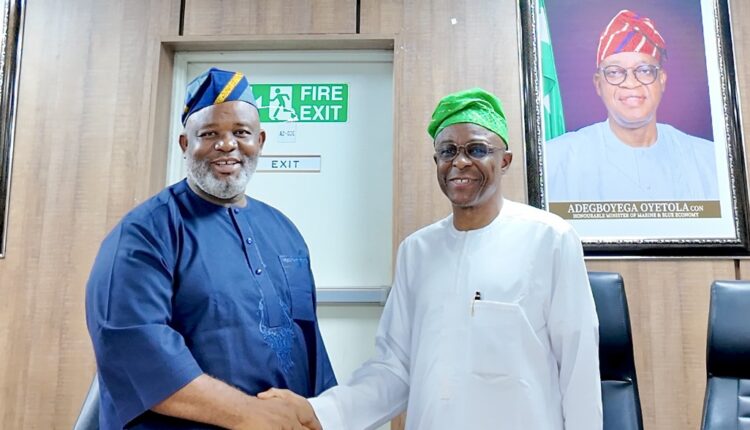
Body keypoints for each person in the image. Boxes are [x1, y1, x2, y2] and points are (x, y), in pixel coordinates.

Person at [261, 88, 602, 429]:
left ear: (505, 161)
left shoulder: (550, 239)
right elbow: (394, 369)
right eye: (447, 151)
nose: (460, 162)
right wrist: (321, 412)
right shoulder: (417, 251)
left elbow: (579, 368)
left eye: (477, 149)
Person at [85, 67, 336, 429]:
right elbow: (135, 349)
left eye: (241, 132)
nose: (227, 145)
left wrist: (322, 414)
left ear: (260, 141)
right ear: (185, 144)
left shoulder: (285, 232)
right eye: (209, 134)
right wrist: (250, 414)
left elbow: (309, 344)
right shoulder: (145, 233)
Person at [546, 9, 719, 202]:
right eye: (614, 72)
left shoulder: (710, 161)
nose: (630, 83)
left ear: (661, 80)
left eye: (644, 70)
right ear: (598, 84)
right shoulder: (555, 161)